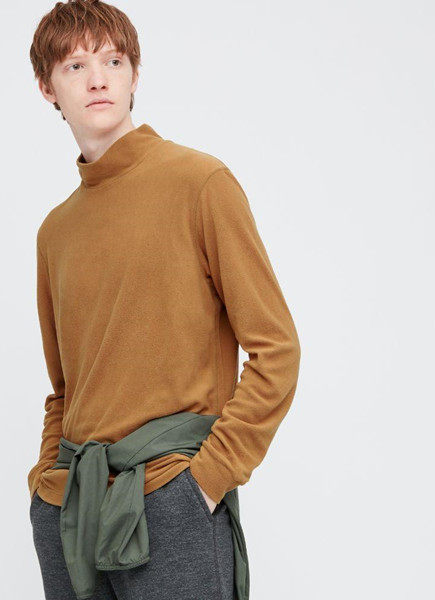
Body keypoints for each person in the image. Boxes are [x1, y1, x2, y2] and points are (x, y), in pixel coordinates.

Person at [26, 2, 301, 599]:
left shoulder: (200, 183)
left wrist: (205, 481)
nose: (98, 79)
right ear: (48, 88)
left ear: (134, 74)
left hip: (171, 505)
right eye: (75, 65)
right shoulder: (56, 231)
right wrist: (46, 486)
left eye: (113, 61)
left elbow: (276, 350)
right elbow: (65, 389)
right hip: (72, 508)